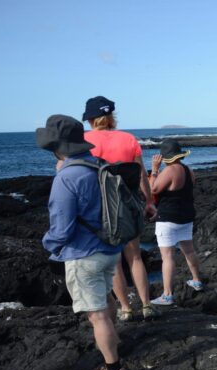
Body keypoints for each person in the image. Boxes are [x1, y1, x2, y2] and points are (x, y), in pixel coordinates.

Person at [37, 114, 128, 370]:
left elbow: (61, 229)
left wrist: (48, 245)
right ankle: (113, 340)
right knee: (105, 297)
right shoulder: (99, 164)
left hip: (84, 253)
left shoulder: (67, 178)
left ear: (57, 146)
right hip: (111, 248)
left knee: (96, 314)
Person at [82, 96, 158, 320]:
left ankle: (125, 308)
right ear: (111, 116)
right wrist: (149, 201)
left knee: (114, 260)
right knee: (135, 257)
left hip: (102, 208)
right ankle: (146, 305)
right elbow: (141, 173)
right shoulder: (129, 139)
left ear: (92, 119)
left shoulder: (85, 141)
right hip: (130, 204)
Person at [148, 139, 204, 305]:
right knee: (189, 251)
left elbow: (153, 190)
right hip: (186, 217)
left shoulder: (169, 170)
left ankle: (167, 294)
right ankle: (196, 280)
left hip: (168, 219)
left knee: (168, 257)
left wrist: (155, 170)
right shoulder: (188, 170)